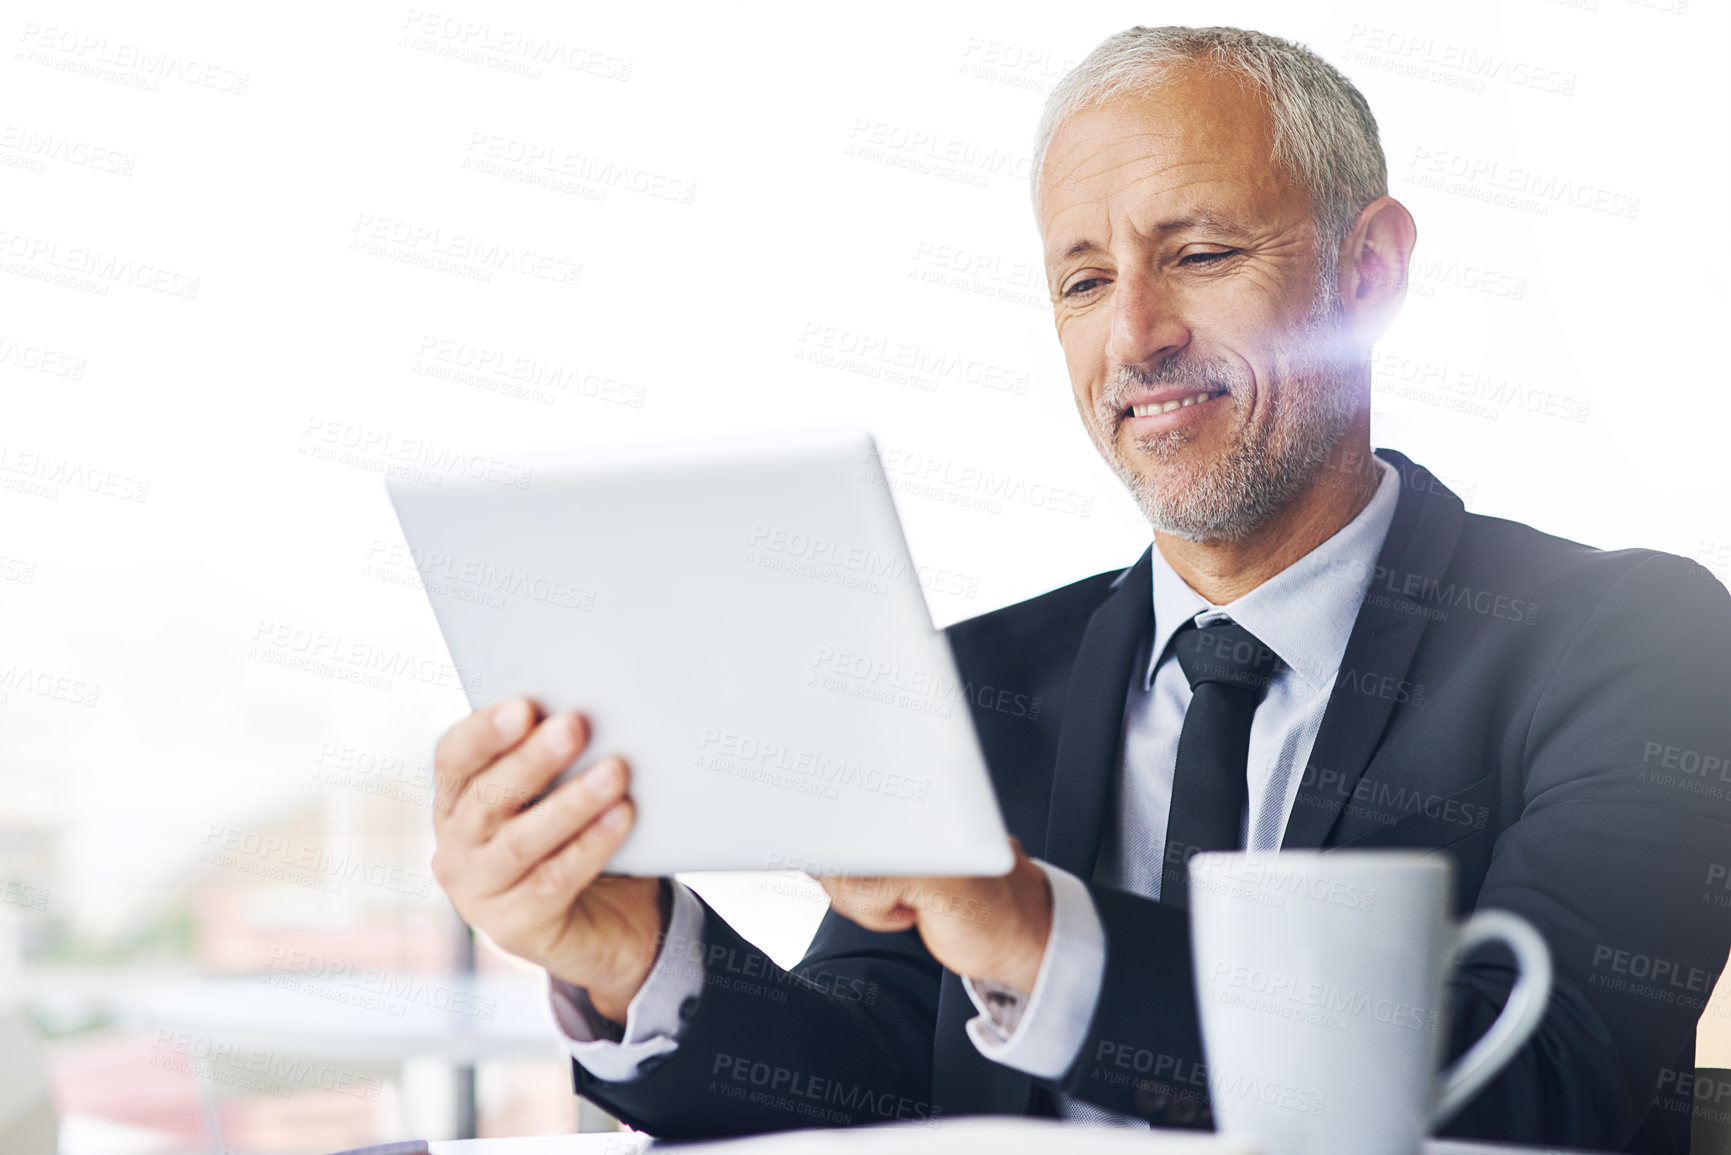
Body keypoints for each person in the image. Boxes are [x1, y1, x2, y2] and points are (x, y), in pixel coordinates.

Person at [426, 25, 1731, 1152]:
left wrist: (1034, 932)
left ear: (1370, 272)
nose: (1135, 336)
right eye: (1086, 279)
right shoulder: (971, 681)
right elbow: (872, 1096)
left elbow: (1556, 1091)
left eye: (1203, 254)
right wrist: (631, 954)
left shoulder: (1640, 646)